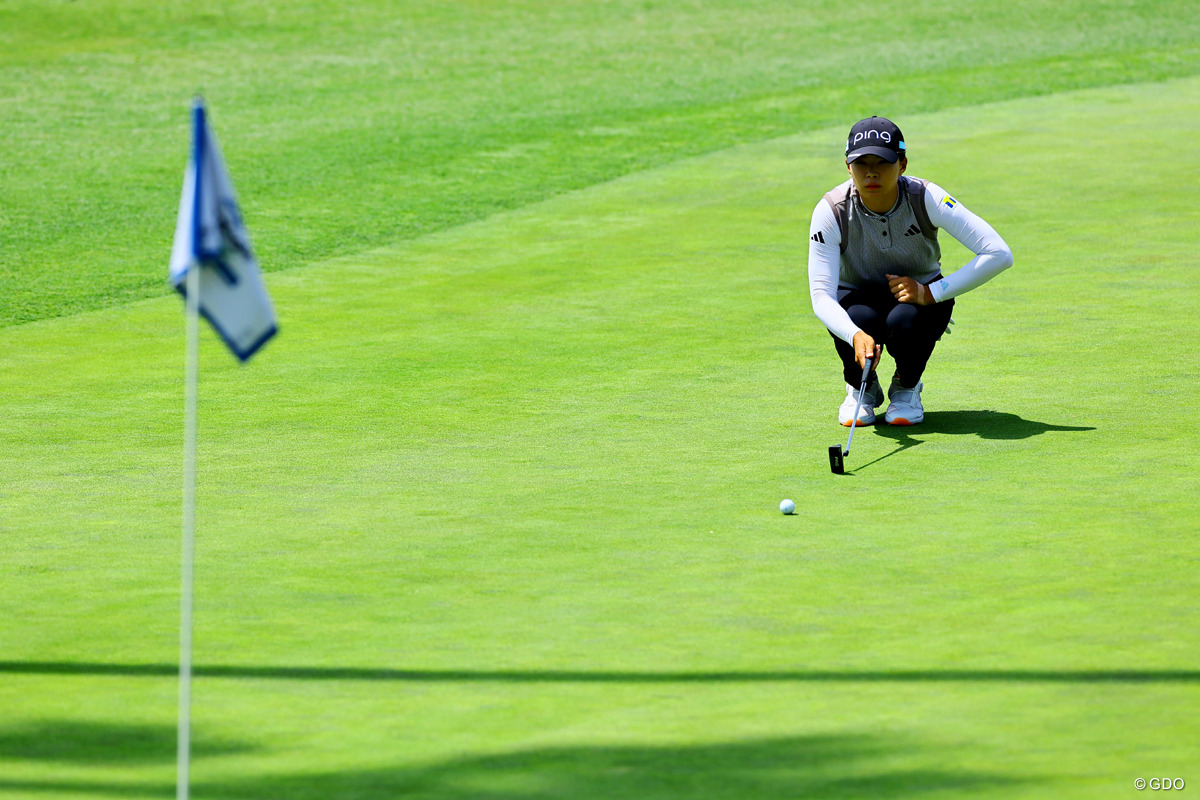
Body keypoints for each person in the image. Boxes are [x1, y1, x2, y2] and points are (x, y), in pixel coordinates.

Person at [807, 116, 1013, 426]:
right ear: (848, 166)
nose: (871, 172)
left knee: (904, 321)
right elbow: (822, 296)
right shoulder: (832, 209)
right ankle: (860, 388)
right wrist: (855, 335)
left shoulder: (925, 197)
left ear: (902, 164)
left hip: (918, 302)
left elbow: (999, 253)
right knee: (858, 319)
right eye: (862, 163)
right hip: (858, 301)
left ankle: (906, 386)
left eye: (883, 162)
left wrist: (931, 292)